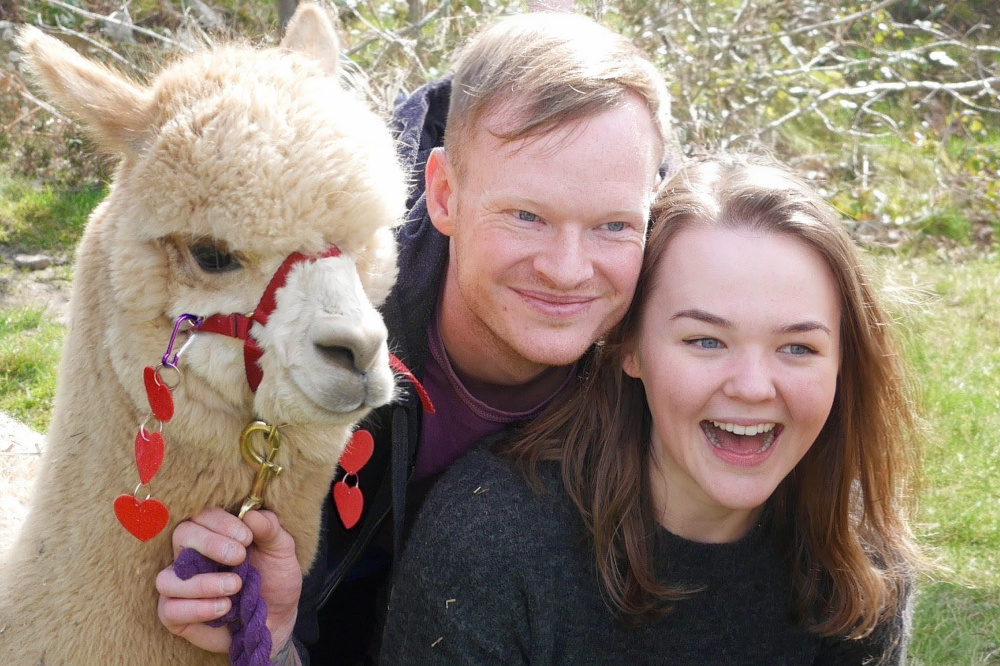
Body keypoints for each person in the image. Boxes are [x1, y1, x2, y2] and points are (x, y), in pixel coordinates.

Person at [155, 11, 678, 665]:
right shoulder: (307, 327)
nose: (568, 269)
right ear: (444, 194)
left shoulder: (673, 363)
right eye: (526, 216)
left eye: (613, 226)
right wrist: (265, 630)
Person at [380, 154, 923, 664]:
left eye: (798, 348)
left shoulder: (856, 553)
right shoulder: (493, 542)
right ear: (630, 346)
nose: (754, 387)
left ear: (843, 362)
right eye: (705, 340)